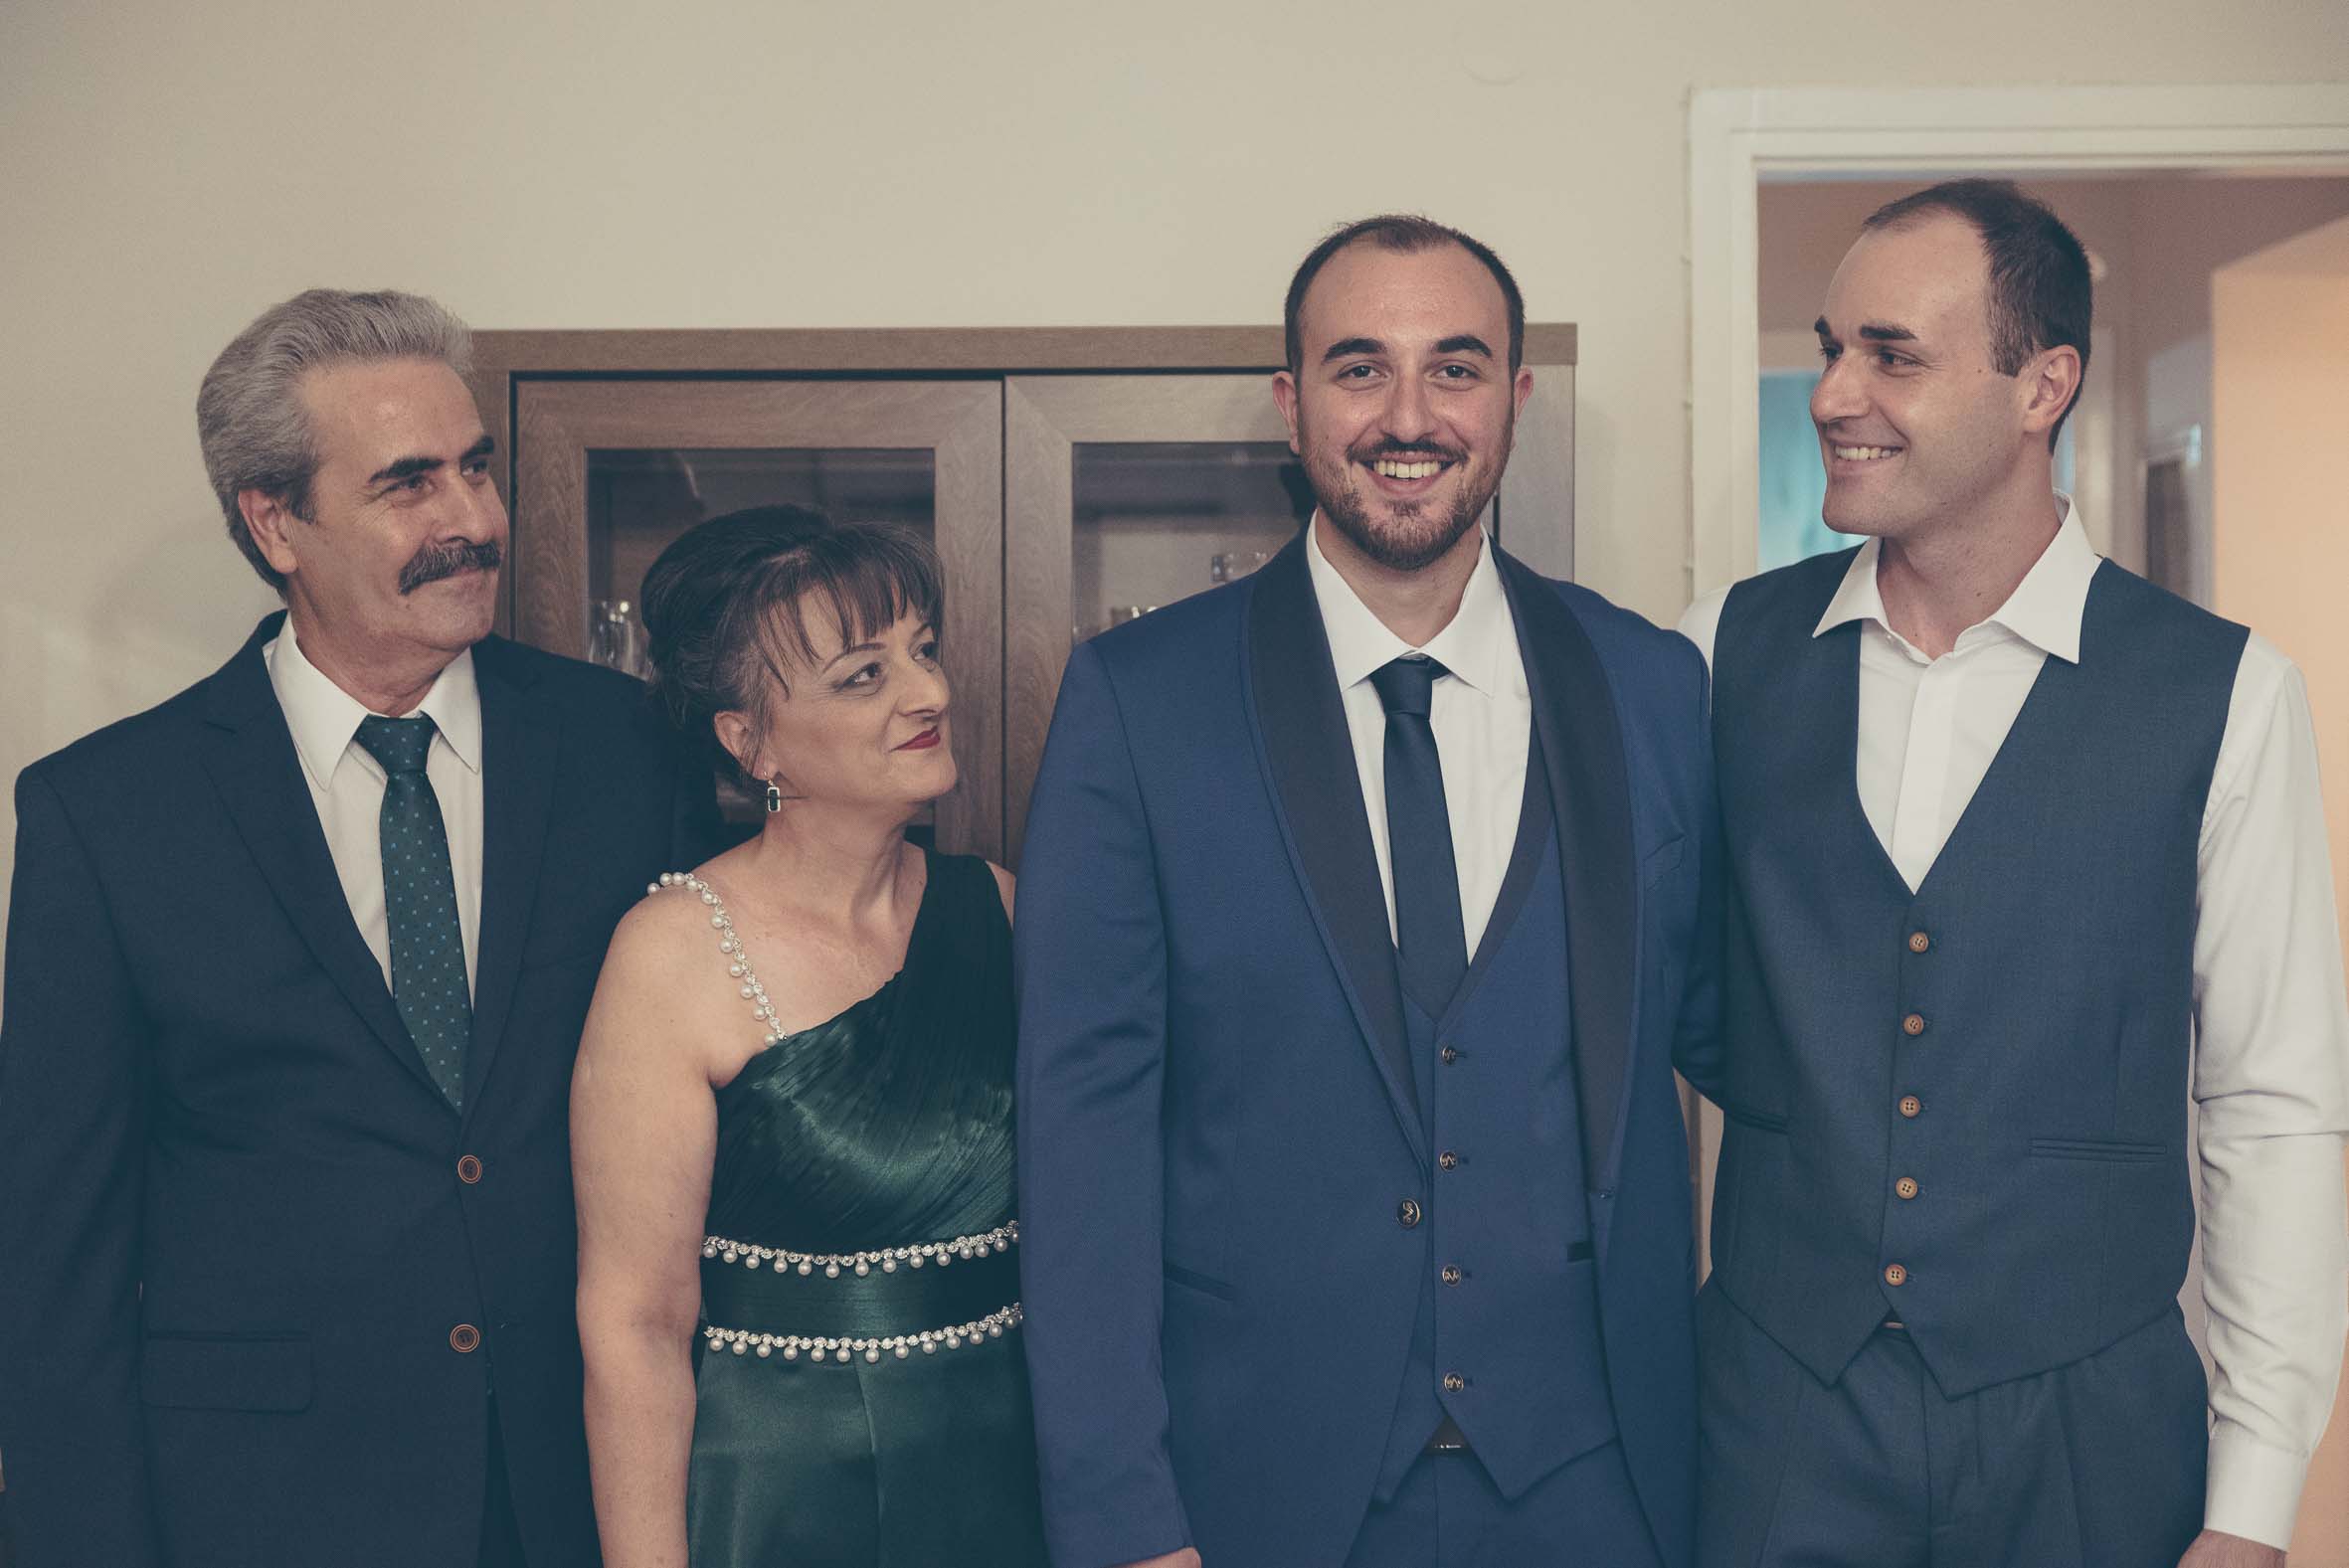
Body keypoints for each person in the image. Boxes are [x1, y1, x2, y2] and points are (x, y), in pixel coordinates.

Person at [1015, 216, 1717, 1568]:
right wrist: (1118, 1518)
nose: (1408, 416)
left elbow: (1741, 1037)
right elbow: (1080, 1132)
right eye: (1359, 368)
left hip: (1601, 1488)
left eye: (1454, 368)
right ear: (1292, 405)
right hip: (1256, 1487)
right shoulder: (1139, 700)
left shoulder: (1647, 684)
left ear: (1514, 398)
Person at [1677, 179, 2349, 1568]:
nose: (1832, 394)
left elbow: (2273, 1106)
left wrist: (2252, 1504)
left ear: (2042, 386)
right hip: (1774, 1414)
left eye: (1891, 354)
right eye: (1831, 348)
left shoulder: (2225, 694)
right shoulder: (1714, 656)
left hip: (2088, 1430)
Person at [0, 288, 720, 1567]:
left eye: (475, 468)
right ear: (274, 522)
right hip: (264, 1505)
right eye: (408, 483)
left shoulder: (622, 748)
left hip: (583, 1486)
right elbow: (60, 1263)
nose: (473, 520)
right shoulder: (108, 812)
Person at [573, 505, 1046, 1567]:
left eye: (923, 649)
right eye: (863, 674)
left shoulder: (1001, 909)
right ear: (749, 740)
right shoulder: (670, 952)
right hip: (783, 1502)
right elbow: (636, 1328)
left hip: (1005, 1482)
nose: (929, 692)